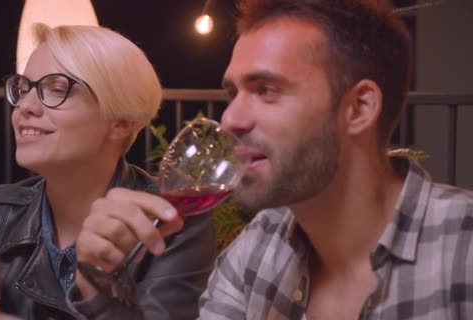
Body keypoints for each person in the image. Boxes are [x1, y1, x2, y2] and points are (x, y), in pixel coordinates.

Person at [0, 23, 215, 320]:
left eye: (57, 89)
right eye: (23, 89)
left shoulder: (172, 222)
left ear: (120, 122)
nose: (25, 106)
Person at [197, 0, 473, 318]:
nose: (230, 119)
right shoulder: (256, 248)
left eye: (267, 90)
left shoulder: (462, 251)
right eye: (233, 94)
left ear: (359, 108)